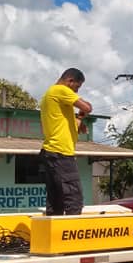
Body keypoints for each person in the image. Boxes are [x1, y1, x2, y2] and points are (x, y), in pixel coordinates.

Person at [39, 68, 93, 216]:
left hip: (50, 152)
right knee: (74, 198)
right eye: (77, 87)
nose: (76, 92)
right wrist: (86, 107)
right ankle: (72, 235)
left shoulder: (49, 95)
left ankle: (53, 234)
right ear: (70, 81)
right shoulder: (60, 90)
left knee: (56, 199)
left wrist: (80, 120)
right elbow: (87, 107)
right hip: (61, 153)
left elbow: (65, 123)